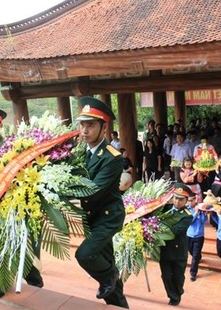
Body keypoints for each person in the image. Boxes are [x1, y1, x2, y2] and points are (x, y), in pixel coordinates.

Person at [0, 105, 44, 300]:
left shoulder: (13, 145)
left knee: (16, 242)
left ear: (0, 125)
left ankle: (33, 276)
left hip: (13, 203)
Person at [75, 96, 129, 308]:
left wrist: (64, 192)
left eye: (91, 125)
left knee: (85, 255)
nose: (85, 130)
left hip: (108, 217)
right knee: (106, 264)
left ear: (104, 127)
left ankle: (110, 275)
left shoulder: (112, 157)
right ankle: (119, 304)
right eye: (82, 125)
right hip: (92, 217)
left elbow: (93, 191)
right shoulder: (81, 152)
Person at [159, 183, 193, 306]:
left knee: (178, 277)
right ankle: (173, 297)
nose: (177, 201)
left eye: (181, 199)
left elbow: (174, 231)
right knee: (166, 276)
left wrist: (156, 229)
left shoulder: (187, 216)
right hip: (165, 250)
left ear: (186, 201)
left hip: (178, 252)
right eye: (176, 198)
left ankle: (178, 291)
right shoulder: (164, 208)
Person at [186, 194, 207, 282]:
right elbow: (189, 221)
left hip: (199, 235)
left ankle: (193, 273)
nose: (190, 202)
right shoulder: (186, 210)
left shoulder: (200, 208)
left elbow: (204, 221)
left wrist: (204, 213)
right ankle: (199, 256)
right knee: (191, 251)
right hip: (189, 235)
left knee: (195, 255)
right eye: (189, 200)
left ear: (195, 200)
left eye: (192, 200)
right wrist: (195, 212)